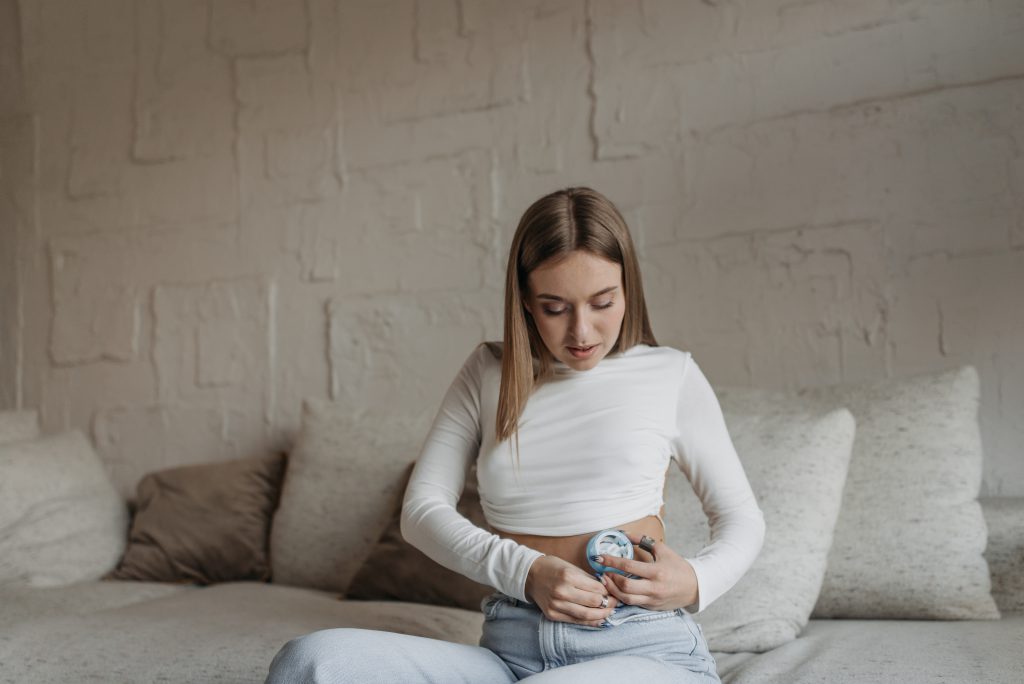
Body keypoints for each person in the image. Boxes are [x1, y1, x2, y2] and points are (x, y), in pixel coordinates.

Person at [265, 186, 766, 683]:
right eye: (555, 307)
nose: (582, 332)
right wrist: (527, 572)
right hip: (512, 655)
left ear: (627, 288)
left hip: (645, 647)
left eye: (602, 302)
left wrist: (696, 581)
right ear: (525, 299)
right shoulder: (488, 374)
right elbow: (422, 513)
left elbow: (740, 517)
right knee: (311, 662)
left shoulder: (670, 373)